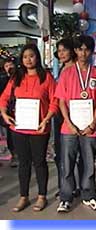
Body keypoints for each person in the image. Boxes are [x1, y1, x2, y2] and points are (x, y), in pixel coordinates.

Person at [0, 43, 58, 212]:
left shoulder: (46, 77)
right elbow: (3, 97)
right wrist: (4, 113)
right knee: (23, 163)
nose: (28, 59)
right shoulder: (16, 77)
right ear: (21, 59)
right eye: (25, 57)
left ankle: (42, 196)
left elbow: (55, 100)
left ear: (37, 57)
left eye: (31, 56)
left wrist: (47, 119)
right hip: (19, 128)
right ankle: (23, 197)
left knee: (39, 162)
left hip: (39, 128)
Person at [55, 35, 96, 212]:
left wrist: (93, 124)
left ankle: (89, 195)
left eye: (86, 49)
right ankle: (66, 197)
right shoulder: (67, 73)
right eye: (79, 49)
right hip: (69, 127)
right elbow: (61, 101)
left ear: (91, 51)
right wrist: (69, 123)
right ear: (75, 51)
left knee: (89, 163)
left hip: (90, 128)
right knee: (67, 163)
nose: (83, 52)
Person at [53, 38, 82, 199]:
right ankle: (65, 186)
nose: (61, 53)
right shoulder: (61, 69)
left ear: (72, 50)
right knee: (62, 154)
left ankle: (76, 186)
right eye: (59, 50)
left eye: (64, 49)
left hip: (74, 116)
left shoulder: (77, 69)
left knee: (74, 154)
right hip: (59, 115)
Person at [0, 57, 17, 167]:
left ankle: (16, 154)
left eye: (11, 65)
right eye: (6, 66)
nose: (9, 68)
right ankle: (13, 154)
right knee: (7, 134)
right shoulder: (2, 80)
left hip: (19, 110)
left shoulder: (21, 78)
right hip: (6, 110)